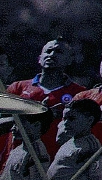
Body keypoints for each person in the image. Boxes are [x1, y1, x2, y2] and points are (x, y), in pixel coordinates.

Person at [2, 38, 86, 167]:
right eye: (48, 51)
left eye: (58, 51)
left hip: (55, 165)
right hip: (15, 164)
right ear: (40, 58)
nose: (52, 55)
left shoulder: (79, 93)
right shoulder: (18, 88)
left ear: (69, 60)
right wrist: (33, 115)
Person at [46, 97, 102, 180]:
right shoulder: (70, 141)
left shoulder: (90, 147)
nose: (66, 123)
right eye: (65, 119)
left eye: (72, 119)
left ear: (89, 120)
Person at [0, 110, 52, 180]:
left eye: (18, 124)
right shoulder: (19, 149)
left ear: (36, 125)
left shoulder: (37, 153)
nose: (13, 128)